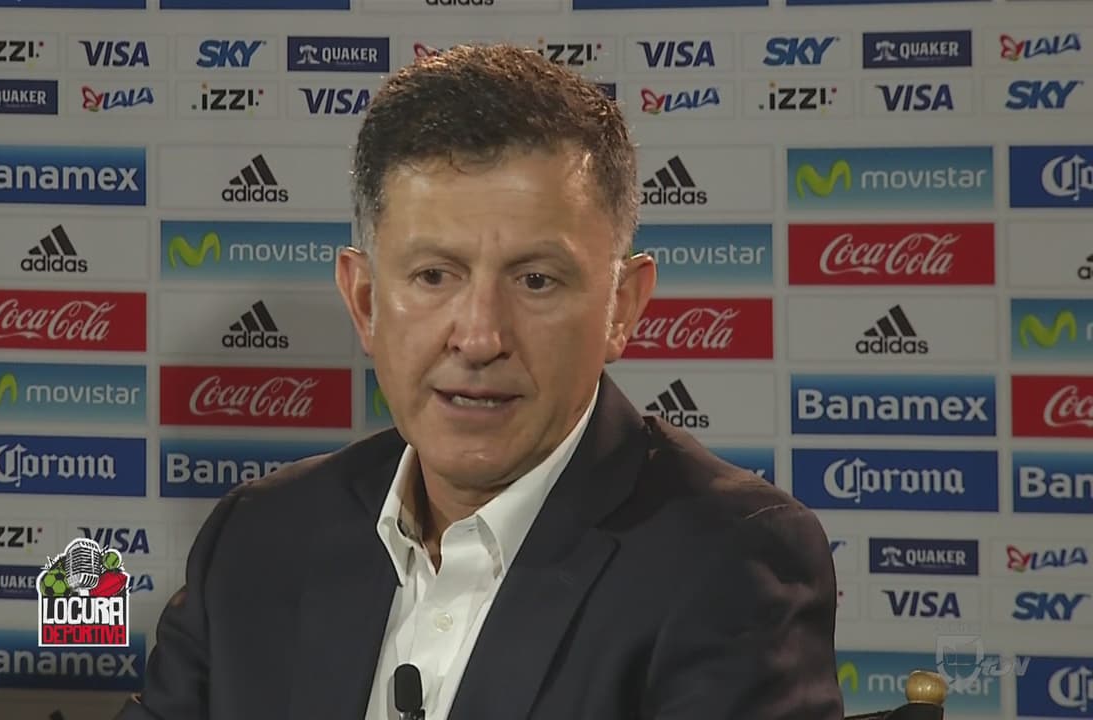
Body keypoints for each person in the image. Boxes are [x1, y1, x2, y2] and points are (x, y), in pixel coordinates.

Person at [117, 44, 843, 720]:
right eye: (435, 276)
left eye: (536, 280)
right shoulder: (260, 537)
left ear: (621, 308)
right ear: (366, 302)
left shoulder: (729, 561)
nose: (480, 337)